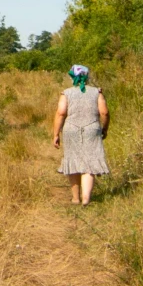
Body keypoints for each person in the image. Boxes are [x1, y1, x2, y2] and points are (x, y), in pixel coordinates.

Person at [51, 63, 110, 205]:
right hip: (92, 130)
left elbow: (61, 113)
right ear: (87, 77)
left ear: (73, 77)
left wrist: (56, 134)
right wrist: (105, 128)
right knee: (89, 163)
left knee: (73, 161)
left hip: (71, 130)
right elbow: (104, 112)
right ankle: (86, 198)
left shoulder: (67, 93)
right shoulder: (97, 92)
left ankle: (75, 198)